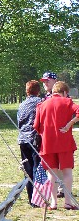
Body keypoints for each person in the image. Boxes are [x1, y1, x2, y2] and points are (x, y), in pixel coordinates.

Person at [34, 81, 79, 210]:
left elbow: (36, 126)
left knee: (51, 174)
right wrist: (69, 124)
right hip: (65, 143)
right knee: (67, 172)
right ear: (64, 92)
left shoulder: (42, 105)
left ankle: (53, 203)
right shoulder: (67, 102)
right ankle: (68, 202)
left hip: (48, 144)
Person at [17, 80, 42, 207]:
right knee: (36, 168)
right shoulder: (40, 103)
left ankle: (30, 198)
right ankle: (37, 198)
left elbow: (19, 122)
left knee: (27, 170)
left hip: (22, 140)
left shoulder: (22, 105)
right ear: (38, 91)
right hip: (34, 140)